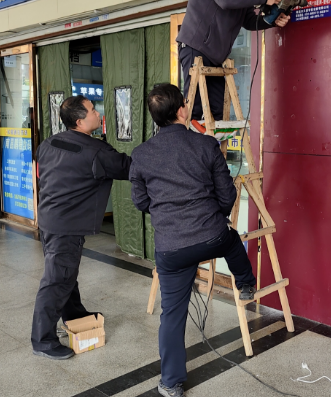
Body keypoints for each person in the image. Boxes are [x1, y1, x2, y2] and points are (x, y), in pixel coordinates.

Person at [130, 84, 256, 397]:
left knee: (172, 315)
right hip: (212, 235)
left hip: (171, 248)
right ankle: (246, 284)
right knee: (231, 240)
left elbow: (141, 202)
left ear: (157, 118)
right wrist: (215, 218)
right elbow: (227, 194)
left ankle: (171, 383)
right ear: (182, 110)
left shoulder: (142, 154)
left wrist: (165, 212)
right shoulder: (206, 144)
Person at [31, 95, 131, 360]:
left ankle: (74, 313)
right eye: (92, 111)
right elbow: (128, 167)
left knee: (65, 271)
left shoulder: (49, 143)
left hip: (50, 219)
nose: (98, 113)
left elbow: (41, 174)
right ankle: (42, 340)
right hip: (66, 225)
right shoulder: (96, 151)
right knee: (57, 279)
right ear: (79, 121)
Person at [177, 0, 290, 121]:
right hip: (195, 49)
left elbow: (247, 20)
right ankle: (188, 150)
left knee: (217, 113)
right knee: (195, 112)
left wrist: (271, 20)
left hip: (213, 57)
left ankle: (211, 152)